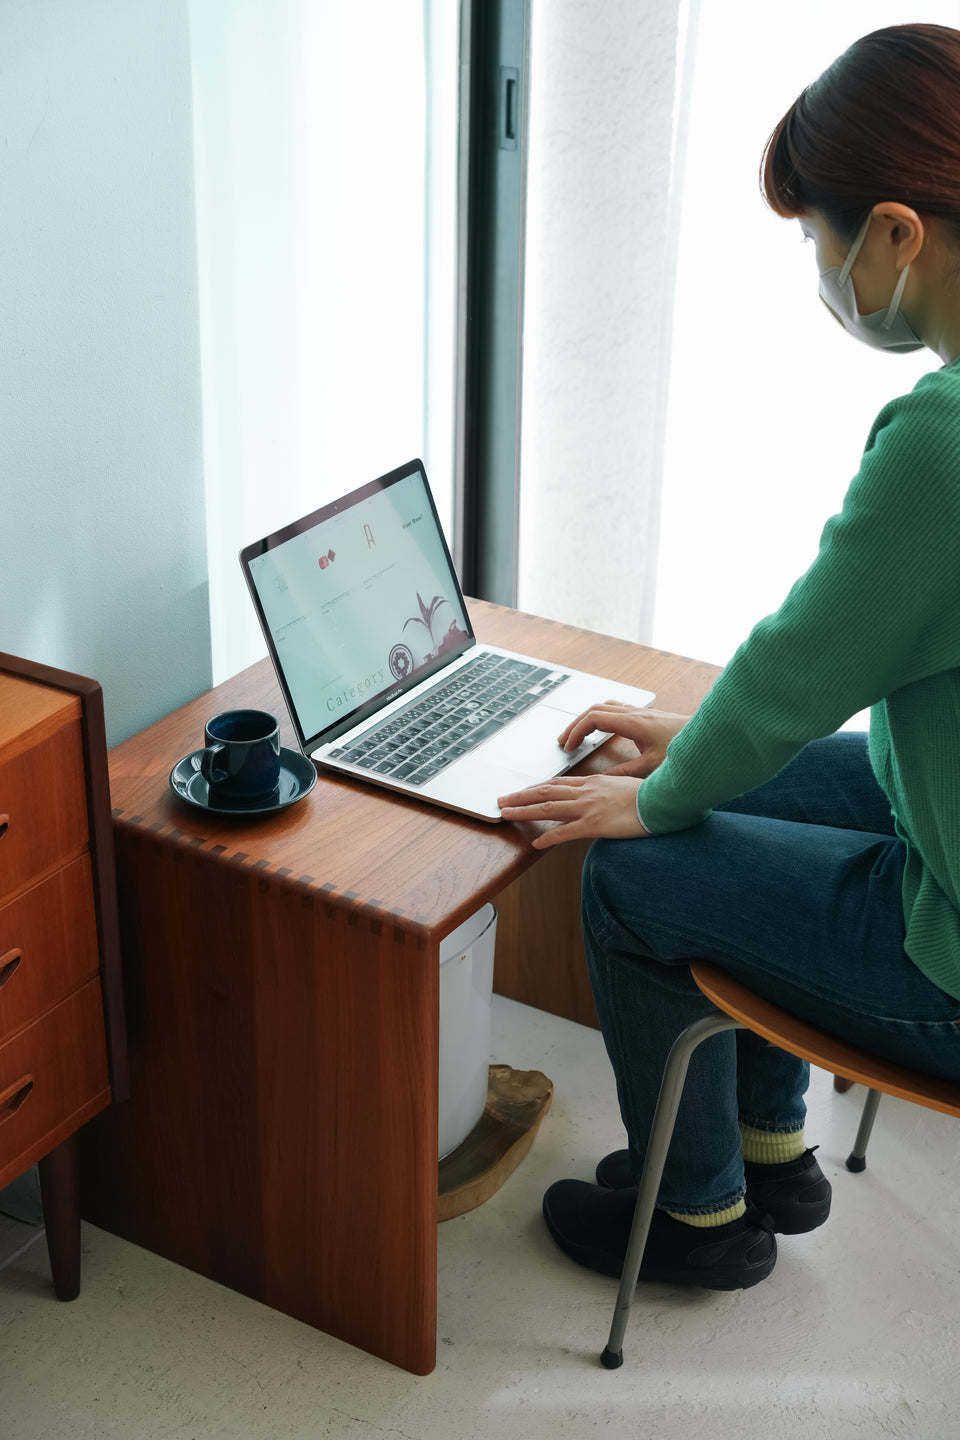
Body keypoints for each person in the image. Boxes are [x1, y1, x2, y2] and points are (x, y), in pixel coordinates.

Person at [498, 22, 960, 1291]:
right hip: (950, 810)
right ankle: (769, 1144)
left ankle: (694, 1214)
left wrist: (660, 793)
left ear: (897, 234)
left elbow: (802, 664)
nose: (823, 271)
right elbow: (827, 676)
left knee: (631, 879)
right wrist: (698, 759)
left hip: (957, 950)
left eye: (821, 240)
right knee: (736, 783)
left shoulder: (944, 440)